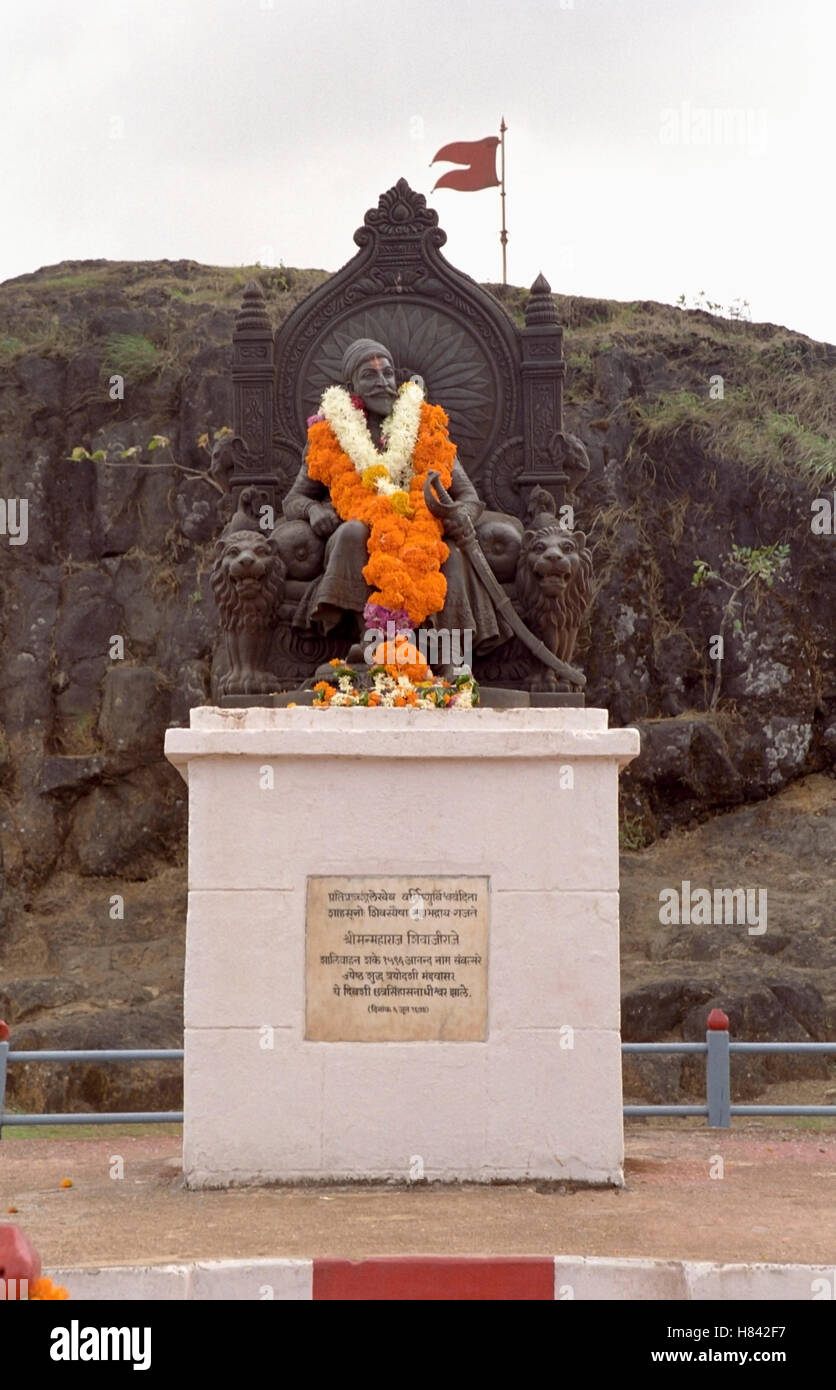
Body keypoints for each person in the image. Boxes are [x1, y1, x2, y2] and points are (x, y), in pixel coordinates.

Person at [280, 337, 517, 655]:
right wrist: (312, 510)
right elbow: (293, 499)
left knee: (443, 552)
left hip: (422, 529)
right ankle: (369, 642)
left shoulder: (426, 428)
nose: (382, 383)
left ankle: (447, 656)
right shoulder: (330, 434)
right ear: (352, 387)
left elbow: (468, 496)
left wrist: (460, 514)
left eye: (387, 374)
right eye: (369, 375)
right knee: (353, 531)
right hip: (364, 529)